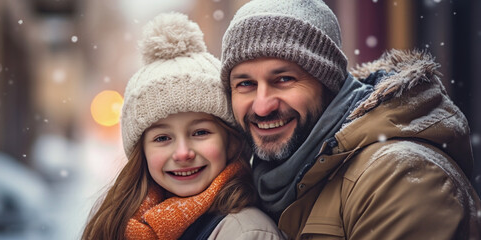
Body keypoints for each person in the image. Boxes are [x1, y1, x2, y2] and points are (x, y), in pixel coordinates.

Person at [219, 0, 481, 239]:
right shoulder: (264, 181)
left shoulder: (397, 177)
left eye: (284, 79)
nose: (263, 106)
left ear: (328, 83)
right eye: (245, 84)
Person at [81, 12, 285, 240]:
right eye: (162, 138)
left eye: (200, 132)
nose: (182, 153)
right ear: (143, 151)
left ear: (230, 141)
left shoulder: (244, 232)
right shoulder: (127, 223)